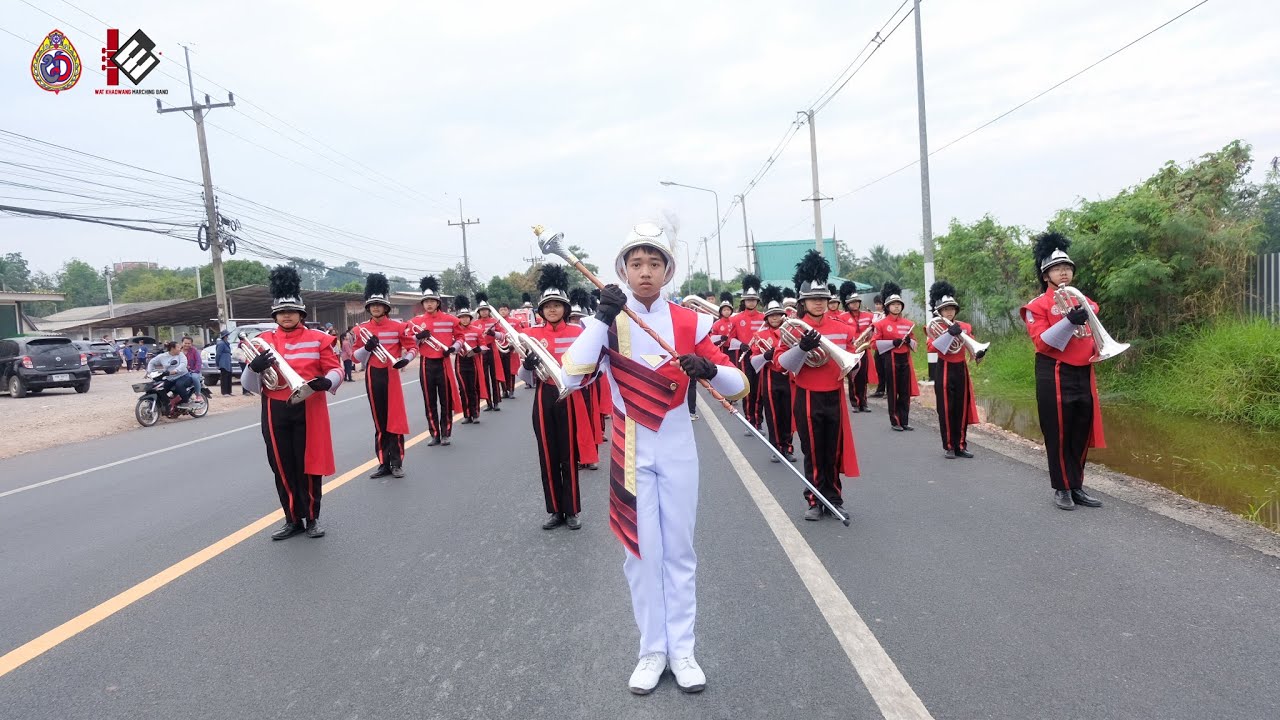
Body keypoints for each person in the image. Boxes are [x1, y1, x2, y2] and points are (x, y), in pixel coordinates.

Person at [557, 223, 747, 696]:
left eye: (654, 264)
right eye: (636, 264)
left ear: (667, 271)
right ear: (622, 270)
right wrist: (601, 319)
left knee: (679, 551)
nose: (645, 273)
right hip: (629, 444)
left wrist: (709, 368)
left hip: (678, 442)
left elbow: (737, 385)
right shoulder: (607, 321)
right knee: (641, 555)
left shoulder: (689, 322)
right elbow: (572, 375)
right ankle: (651, 650)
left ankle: (683, 650)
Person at [241, 266, 344, 540]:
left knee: (308, 464)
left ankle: (312, 518)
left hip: (308, 405)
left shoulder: (320, 338)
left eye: (292, 311)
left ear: (301, 314)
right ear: (275, 315)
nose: (286, 315)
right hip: (274, 408)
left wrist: (327, 381)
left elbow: (337, 369)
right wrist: (254, 367)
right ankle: (291, 519)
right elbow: (249, 386)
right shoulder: (261, 342)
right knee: (281, 465)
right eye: (281, 311)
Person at [1022, 232, 1107, 511]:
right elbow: (1043, 343)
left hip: (1083, 372)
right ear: (1046, 275)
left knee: (1081, 430)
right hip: (1054, 372)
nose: (1064, 272)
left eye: (1068, 268)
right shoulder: (1037, 306)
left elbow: (1093, 335)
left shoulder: (1085, 301)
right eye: (1057, 269)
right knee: (1058, 431)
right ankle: (1061, 487)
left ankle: (1077, 485)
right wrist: (1069, 321)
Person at [775, 251, 860, 521]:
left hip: (834, 395)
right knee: (812, 451)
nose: (819, 303)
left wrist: (854, 366)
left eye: (823, 298)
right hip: (807, 395)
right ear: (804, 302)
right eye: (813, 299)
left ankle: (834, 498)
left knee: (833, 451)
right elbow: (780, 364)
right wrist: (801, 348)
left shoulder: (843, 327)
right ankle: (814, 499)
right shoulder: (794, 328)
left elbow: (852, 359)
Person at [518, 265, 586, 530]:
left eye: (557, 305)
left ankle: (572, 510)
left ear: (565, 309)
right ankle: (555, 510)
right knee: (547, 454)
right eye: (548, 306)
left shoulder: (578, 333)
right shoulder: (532, 335)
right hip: (544, 393)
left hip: (568, 396)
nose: (553, 310)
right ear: (541, 310)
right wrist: (529, 364)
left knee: (568, 455)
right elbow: (523, 376)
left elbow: (588, 367)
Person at [353, 273, 415, 478]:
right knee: (379, 422)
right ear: (368, 307)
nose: (376, 308)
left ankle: (397, 463)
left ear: (386, 307)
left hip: (392, 374)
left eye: (379, 305)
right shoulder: (361, 329)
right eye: (372, 305)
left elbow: (412, 347)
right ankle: (383, 463)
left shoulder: (398, 326)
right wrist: (367, 349)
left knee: (394, 420)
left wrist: (406, 359)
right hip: (373, 375)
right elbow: (355, 357)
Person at [928, 281, 984, 459]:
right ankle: (949, 446)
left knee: (961, 407)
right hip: (944, 367)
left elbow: (972, 346)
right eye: (945, 309)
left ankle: (961, 445)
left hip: (961, 368)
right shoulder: (934, 326)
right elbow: (932, 348)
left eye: (952, 308)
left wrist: (979, 354)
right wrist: (949, 334)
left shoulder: (965, 326)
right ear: (939, 311)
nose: (949, 311)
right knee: (945, 408)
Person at [409, 276, 463, 446]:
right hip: (426, 363)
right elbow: (408, 341)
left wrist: (453, 348)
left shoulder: (451, 319)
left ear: (438, 302)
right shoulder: (416, 322)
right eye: (426, 301)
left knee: (445, 400)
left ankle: (446, 432)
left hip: (444, 362)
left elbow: (460, 337)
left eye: (432, 301)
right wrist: (418, 337)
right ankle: (434, 433)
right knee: (429, 400)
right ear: (422, 304)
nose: (429, 304)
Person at [749, 285, 796, 463]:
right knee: (773, 415)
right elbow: (754, 362)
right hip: (770, 377)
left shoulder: (791, 332)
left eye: (778, 314)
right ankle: (776, 448)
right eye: (772, 315)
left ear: (783, 316)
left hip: (788, 377)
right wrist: (765, 355)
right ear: (767, 317)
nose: (775, 317)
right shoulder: (759, 334)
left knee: (788, 413)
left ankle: (788, 447)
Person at [874, 283, 920, 431]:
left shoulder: (908, 324)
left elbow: (915, 344)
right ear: (887, 307)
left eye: (898, 304)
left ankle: (905, 421)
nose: (896, 307)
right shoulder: (881, 324)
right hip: (891, 359)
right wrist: (891, 343)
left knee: (905, 391)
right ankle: (895, 421)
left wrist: (909, 341)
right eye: (893, 305)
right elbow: (874, 344)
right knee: (893, 390)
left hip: (905, 359)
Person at [729, 274, 765, 433]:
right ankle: (750, 422)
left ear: (757, 301)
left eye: (753, 299)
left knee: (759, 390)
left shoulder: (764, 318)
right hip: (745, 358)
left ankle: (758, 421)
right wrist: (741, 345)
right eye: (748, 300)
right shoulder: (736, 319)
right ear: (744, 301)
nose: (751, 302)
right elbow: (729, 340)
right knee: (748, 389)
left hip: (760, 357)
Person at [840, 283, 877, 413]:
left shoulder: (868, 316)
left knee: (863, 377)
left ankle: (864, 403)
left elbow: (875, 330)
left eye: (856, 302)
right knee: (853, 377)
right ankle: (855, 403)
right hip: (851, 350)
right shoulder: (842, 317)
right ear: (847, 304)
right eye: (852, 303)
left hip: (864, 349)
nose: (855, 305)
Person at [472, 293, 507, 411]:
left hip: (492, 349)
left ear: (488, 310)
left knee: (494, 376)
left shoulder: (494, 321)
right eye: (481, 310)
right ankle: (488, 403)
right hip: (481, 351)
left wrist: (493, 333)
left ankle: (496, 402)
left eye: (485, 310)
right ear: (479, 312)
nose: (484, 312)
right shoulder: (475, 323)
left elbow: (503, 336)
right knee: (484, 377)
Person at [453, 296, 485, 425]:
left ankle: (475, 413)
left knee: (473, 388)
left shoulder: (477, 330)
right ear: (458, 319)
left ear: (470, 318)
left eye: (466, 317)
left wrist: (478, 349)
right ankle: (467, 415)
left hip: (473, 362)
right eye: (461, 317)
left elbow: (483, 346)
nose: (464, 319)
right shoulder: (454, 332)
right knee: (463, 389)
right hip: (460, 361)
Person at [148, 341, 196, 414]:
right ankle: (166, 405)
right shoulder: (162, 356)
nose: (180, 349)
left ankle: (186, 402)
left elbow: (183, 364)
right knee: (160, 388)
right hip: (170, 378)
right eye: (178, 347)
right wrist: (149, 371)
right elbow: (152, 362)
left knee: (179, 385)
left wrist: (176, 370)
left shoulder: (181, 355)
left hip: (183, 376)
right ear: (172, 348)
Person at [495, 301, 519, 398]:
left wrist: (514, 346)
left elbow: (519, 334)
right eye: (501, 309)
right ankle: (504, 390)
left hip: (511, 348)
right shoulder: (495, 322)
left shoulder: (515, 321)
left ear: (509, 310)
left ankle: (511, 390)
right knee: (501, 370)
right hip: (499, 348)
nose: (503, 311)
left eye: (505, 309)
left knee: (511, 370)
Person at [871, 294, 887, 397]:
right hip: (877, 344)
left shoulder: (886, 315)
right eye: (876, 304)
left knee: (887, 368)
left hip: (886, 343)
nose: (877, 306)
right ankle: (880, 389)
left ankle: (889, 390)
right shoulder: (875, 315)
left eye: (879, 304)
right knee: (879, 367)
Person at [215, 329, 234, 396]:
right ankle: (224, 392)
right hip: (223, 363)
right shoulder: (221, 344)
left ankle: (229, 391)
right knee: (224, 378)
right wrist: (217, 363)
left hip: (228, 363)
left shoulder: (226, 343)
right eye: (227, 336)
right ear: (225, 336)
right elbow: (218, 354)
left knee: (229, 376)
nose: (227, 337)